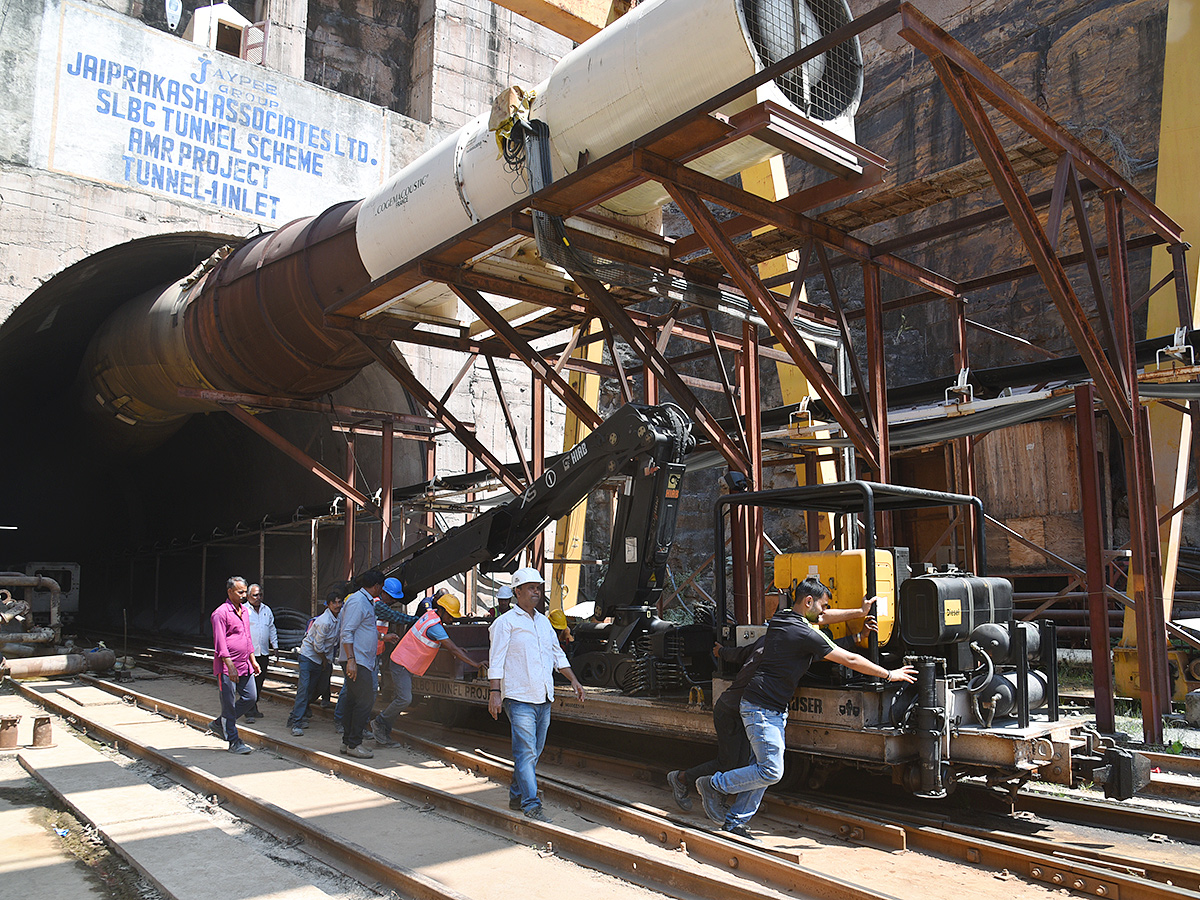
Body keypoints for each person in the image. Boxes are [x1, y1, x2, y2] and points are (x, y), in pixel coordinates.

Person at [694, 577, 917, 840]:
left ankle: (735, 822)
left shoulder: (784, 617)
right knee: (771, 771)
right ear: (808, 601)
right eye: (822, 605)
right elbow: (850, 658)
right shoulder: (804, 633)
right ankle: (713, 784)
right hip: (761, 707)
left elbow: (822, 618)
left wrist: (859, 612)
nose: (825, 612)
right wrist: (889, 674)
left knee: (760, 768)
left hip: (769, 706)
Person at [488, 567, 585, 823]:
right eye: (531, 588)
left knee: (534, 751)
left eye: (538, 588)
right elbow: (495, 661)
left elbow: (557, 655)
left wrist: (574, 680)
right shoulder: (504, 623)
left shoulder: (543, 622)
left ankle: (516, 794)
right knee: (526, 752)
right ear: (517, 591)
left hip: (543, 697)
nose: (536, 592)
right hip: (518, 698)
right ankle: (531, 805)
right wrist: (495, 693)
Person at [371, 588, 483, 746]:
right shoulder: (434, 626)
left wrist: (457, 649)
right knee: (404, 699)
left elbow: (446, 644)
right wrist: (475, 663)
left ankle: (383, 732)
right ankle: (379, 723)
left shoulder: (429, 616)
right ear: (442, 611)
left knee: (402, 699)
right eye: (451, 616)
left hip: (404, 663)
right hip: (402, 664)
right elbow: (451, 648)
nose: (452, 620)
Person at [208, 576, 259, 754]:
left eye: (245, 591)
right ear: (229, 592)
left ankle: (219, 723)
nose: (244, 595)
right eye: (240, 592)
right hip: (227, 667)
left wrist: (253, 659)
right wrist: (229, 666)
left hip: (245, 664)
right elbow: (220, 643)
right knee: (229, 704)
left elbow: (247, 636)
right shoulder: (220, 614)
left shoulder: (245, 611)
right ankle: (233, 740)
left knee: (250, 697)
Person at [339, 568, 386, 759]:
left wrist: (382, 636)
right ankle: (354, 743)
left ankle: (347, 741)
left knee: (353, 700)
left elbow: (363, 629)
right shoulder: (358, 601)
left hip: (361, 659)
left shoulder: (364, 601)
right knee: (364, 701)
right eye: (381, 587)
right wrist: (351, 660)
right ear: (376, 586)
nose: (381, 590)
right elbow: (347, 632)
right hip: (357, 660)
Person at [288, 589, 345, 736]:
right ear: (328, 605)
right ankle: (296, 722)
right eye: (335, 603)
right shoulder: (323, 622)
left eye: (340, 602)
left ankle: (299, 711)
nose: (338, 605)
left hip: (323, 658)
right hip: (310, 657)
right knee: (304, 688)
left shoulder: (339, 618)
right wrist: (325, 661)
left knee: (320, 688)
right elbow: (317, 646)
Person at [245, 582, 277, 721]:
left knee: (259, 681)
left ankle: (253, 706)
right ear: (248, 596)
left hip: (263, 653)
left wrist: (275, 646)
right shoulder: (243, 610)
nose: (258, 597)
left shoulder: (266, 610)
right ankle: (249, 711)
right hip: (248, 653)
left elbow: (271, 628)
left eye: (260, 595)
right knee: (248, 682)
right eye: (255, 595)